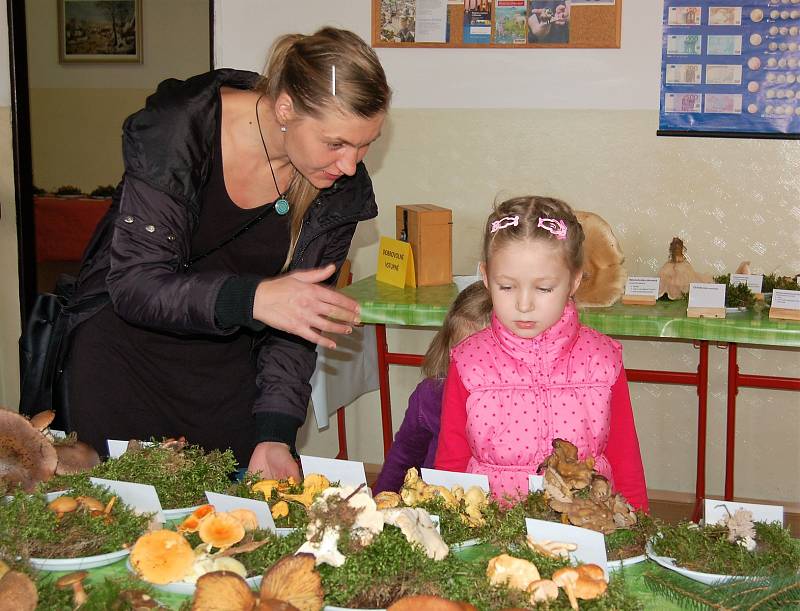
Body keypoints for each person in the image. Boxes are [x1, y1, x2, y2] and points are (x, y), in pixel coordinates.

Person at [62, 27, 391, 481]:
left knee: (232, 536)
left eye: (365, 144)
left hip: (225, 380)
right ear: (285, 108)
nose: (350, 165)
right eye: (335, 143)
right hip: (127, 365)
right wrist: (255, 299)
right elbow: (135, 284)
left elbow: (296, 322)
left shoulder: (338, 190)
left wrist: (276, 431)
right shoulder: (181, 130)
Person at [435, 196, 649, 510]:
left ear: (575, 280)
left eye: (544, 288)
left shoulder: (603, 359)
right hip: (495, 528)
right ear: (485, 276)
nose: (524, 305)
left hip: (584, 527)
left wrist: (638, 524)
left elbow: (624, 456)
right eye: (506, 286)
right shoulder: (469, 362)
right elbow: (451, 458)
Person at [372, 282, 492, 494]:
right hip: (435, 504)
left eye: (480, 359)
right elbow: (403, 456)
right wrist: (380, 498)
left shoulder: (516, 406)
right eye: (459, 353)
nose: (467, 367)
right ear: (447, 347)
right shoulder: (430, 395)